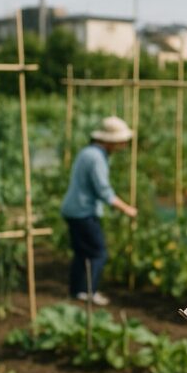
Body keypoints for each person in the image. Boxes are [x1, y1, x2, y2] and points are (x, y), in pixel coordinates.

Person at [60, 115, 138, 306]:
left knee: (81, 253)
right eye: (120, 141)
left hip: (73, 209)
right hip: (83, 211)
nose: (122, 145)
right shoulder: (96, 158)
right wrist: (126, 209)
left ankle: (77, 291)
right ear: (110, 141)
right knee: (98, 253)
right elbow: (103, 190)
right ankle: (89, 292)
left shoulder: (88, 152)